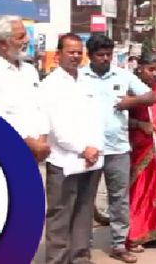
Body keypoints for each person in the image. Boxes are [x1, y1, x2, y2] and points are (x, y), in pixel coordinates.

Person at [80, 34, 155, 263]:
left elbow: (150, 96)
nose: (105, 59)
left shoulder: (122, 75)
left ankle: (119, 244)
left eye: (108, 55)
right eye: (100, 55)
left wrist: (130, 102)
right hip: (87, 148)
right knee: (85, 199)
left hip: (118, 147)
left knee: (119, 198)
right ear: (90, 55)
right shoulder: (79, 76)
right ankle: (83, 246)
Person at [41, 34, 105, 264]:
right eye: (71, 52)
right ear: (58, 55)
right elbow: (56, 127)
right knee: (60, 214)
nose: (76, 56)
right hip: (63, 160)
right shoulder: (50, 85)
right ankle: (57, 260)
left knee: (84, 211)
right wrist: (82, 149)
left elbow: (97, 118)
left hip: (91, 159)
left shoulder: (87, 82)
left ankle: (79, 258)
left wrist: (95, 148)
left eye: (79, 52)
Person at [0, 15, 51, 163]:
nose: (27, 40)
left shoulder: (29, 71)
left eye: (26, 34)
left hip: (37, 155)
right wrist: (31, 145)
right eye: (20, 37)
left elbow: (41, 109)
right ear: (3, 44)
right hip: (8, 156)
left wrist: (41, 142)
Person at [125, 56, 156, 250]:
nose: (153, 74)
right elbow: (117, 117)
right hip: (139, 146)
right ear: (140, 69)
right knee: (139, 190)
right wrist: (139, 124)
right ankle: (135, 234)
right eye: (149, 69)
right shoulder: (131, 89)